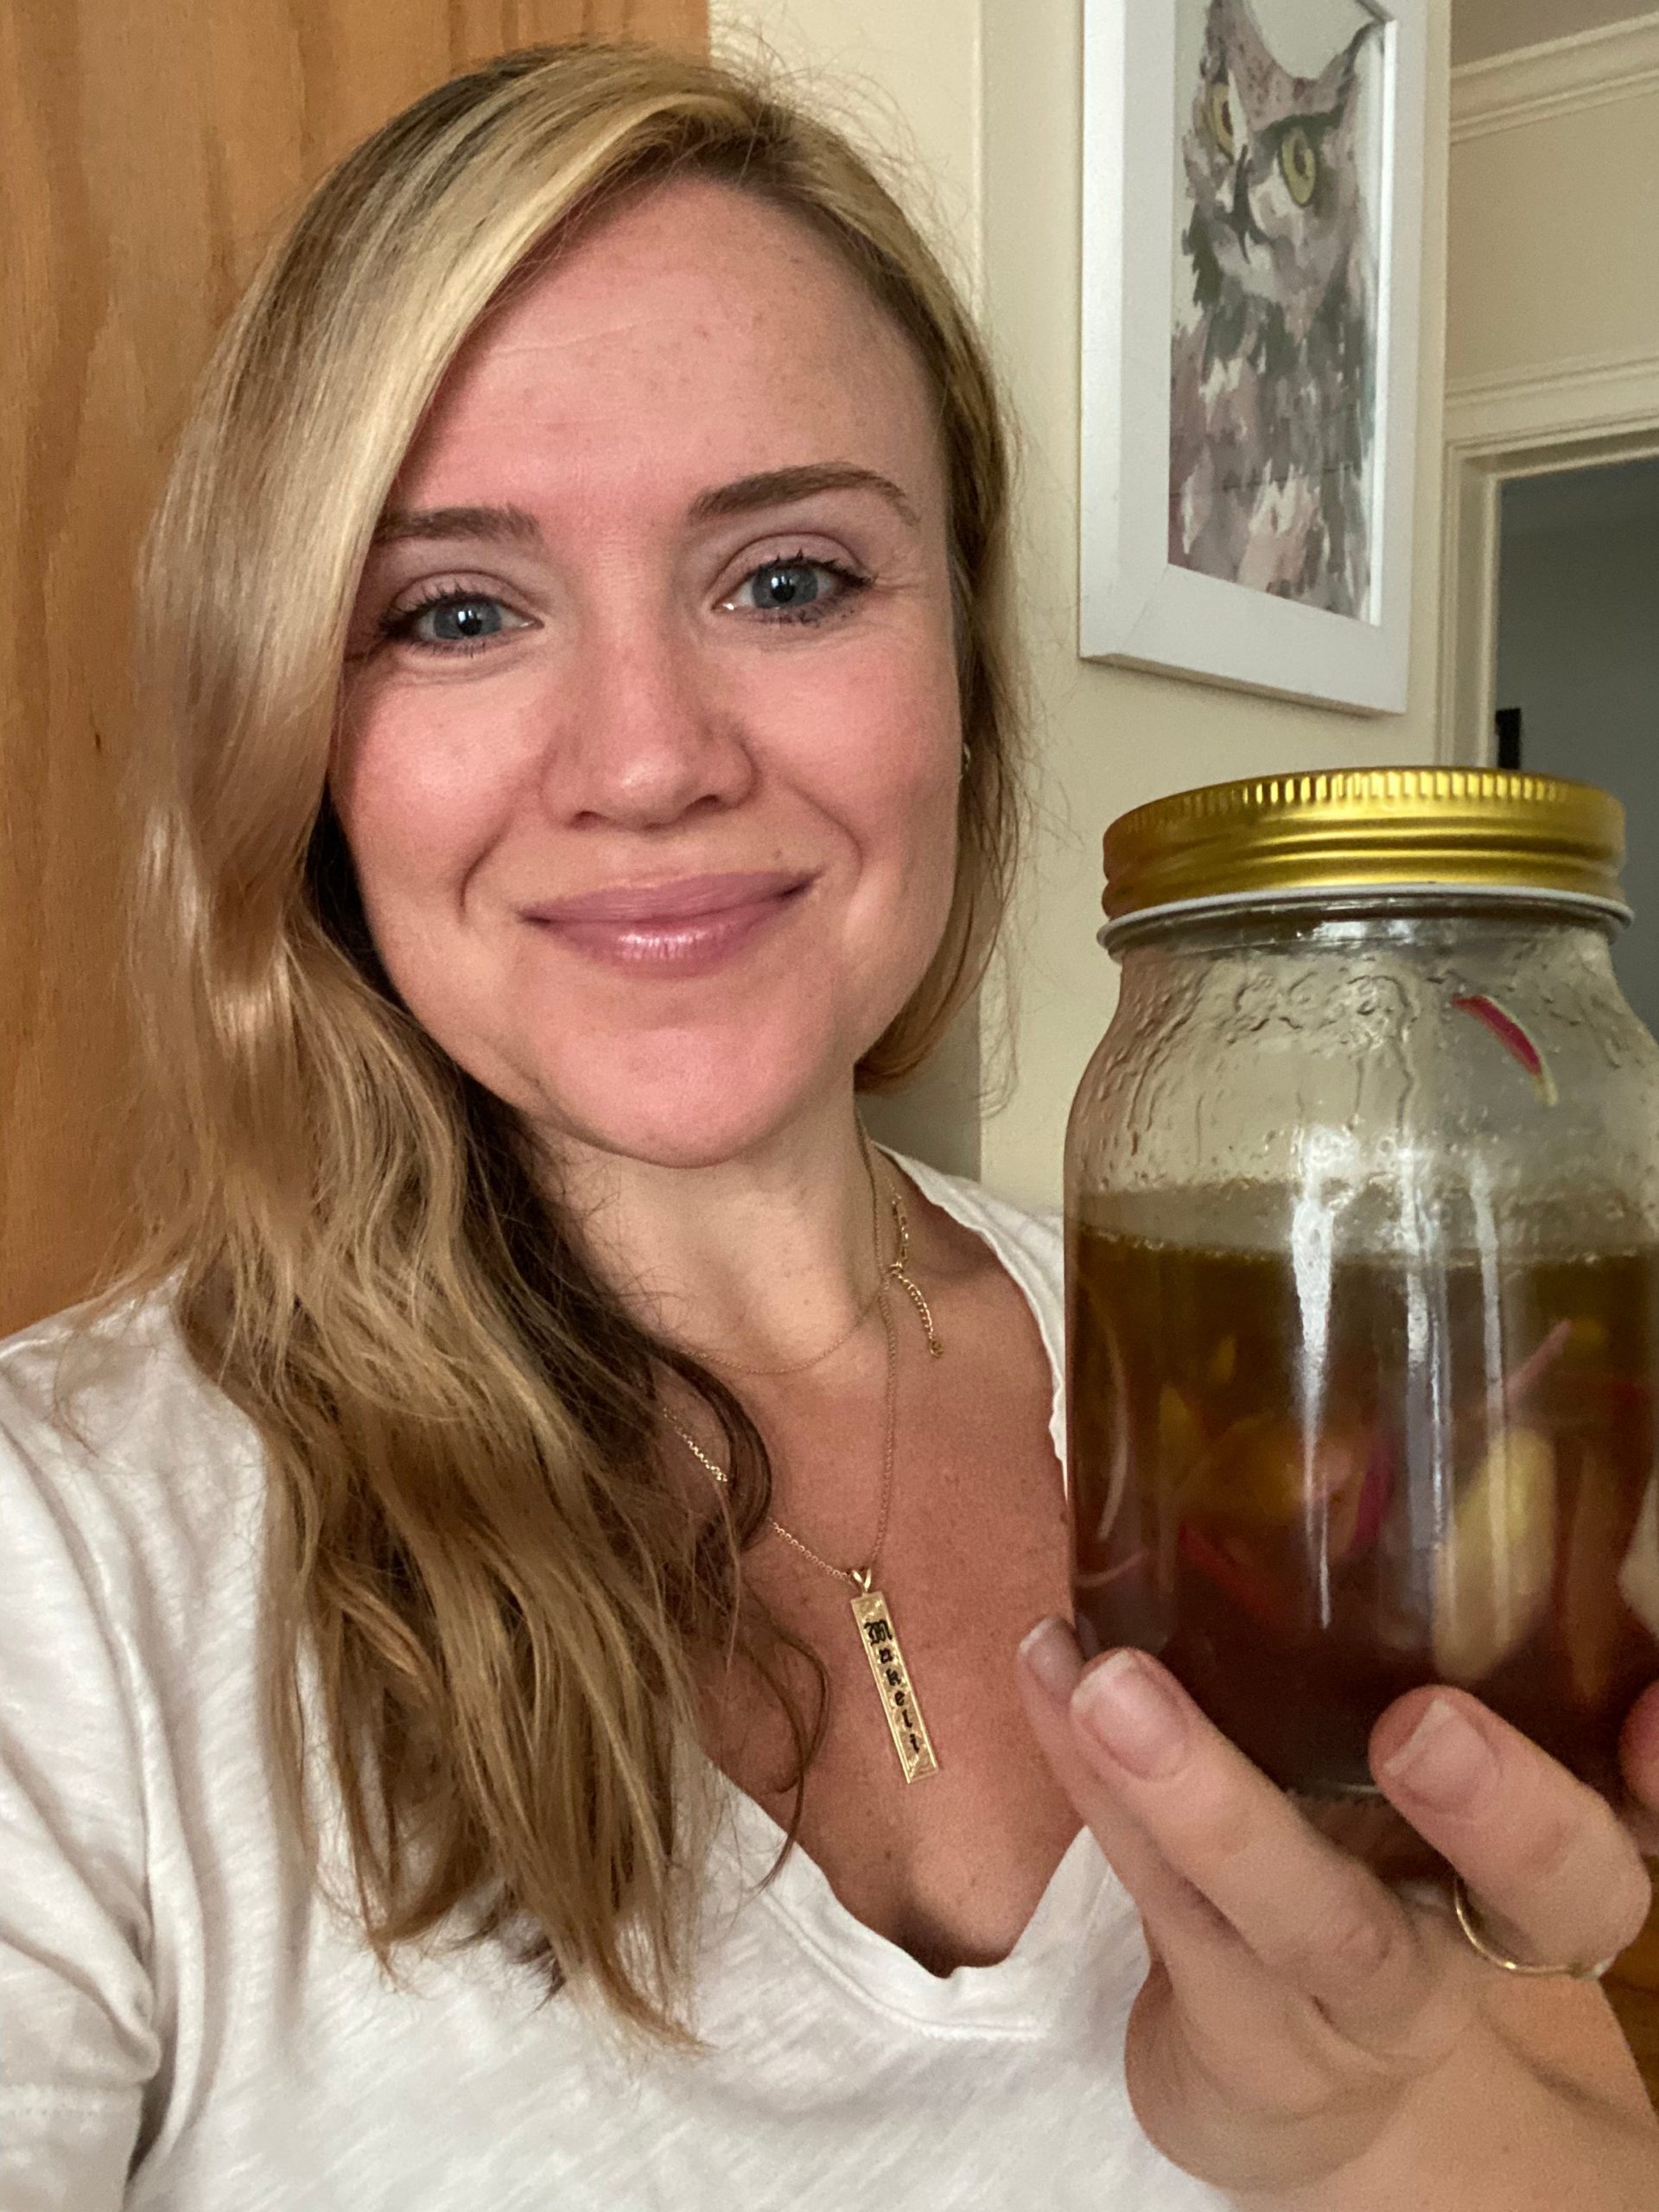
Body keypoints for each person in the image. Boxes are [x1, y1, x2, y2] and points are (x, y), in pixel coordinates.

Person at [2, 41, 1656, 2212]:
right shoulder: (68, 1569)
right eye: (458, 608)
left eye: (786, 577)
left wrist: (1366, 2109)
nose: (650, 756)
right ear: (303, 730)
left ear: (960, 670)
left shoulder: (1256, 1370)